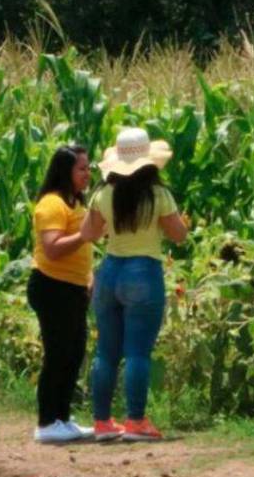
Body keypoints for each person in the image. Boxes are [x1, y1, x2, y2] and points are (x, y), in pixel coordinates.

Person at [80, 127, 188, 442]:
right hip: (144, 271)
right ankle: (136, 421)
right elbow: (179, 235)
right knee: (138, 352)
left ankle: (101, 422)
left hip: (110, 270)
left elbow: (89, 234)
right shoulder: (158, 195)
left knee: (106, 352)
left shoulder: (103, 193)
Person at [28, 145, 103, 444]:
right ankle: (46, 422)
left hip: (72, 288)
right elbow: (52, 248)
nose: (88, 174)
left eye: (88, 168)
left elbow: (83, 247)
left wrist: (89, 275)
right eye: (82, 169)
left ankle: (62, 418)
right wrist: (84, 235)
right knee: (57, 354)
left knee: (73, 353)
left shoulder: (76, 202)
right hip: (51, 285)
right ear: (65, 171)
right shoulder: (51, 204)